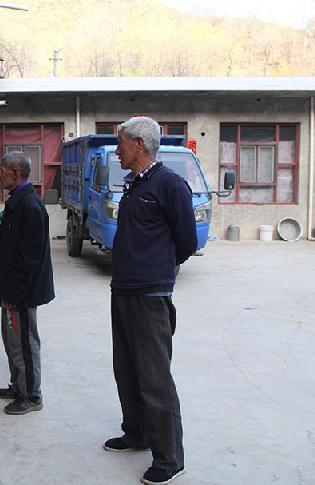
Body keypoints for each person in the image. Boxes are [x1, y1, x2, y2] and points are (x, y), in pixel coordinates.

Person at [103, 117, 197, 485]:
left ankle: (170, 458)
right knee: (126, 369)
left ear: (139, 144)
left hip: (150, 295)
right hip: (123, 290)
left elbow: (186, 241)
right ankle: (136, 433)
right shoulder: (134, 185)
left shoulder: (170, 185)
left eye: (121, 143)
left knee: (154, 377)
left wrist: (156, 268)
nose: (117, 150)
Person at [0, 151, 54, 415]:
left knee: (24, 342)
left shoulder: (30, 206)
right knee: (11, 340)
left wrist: (13, 293)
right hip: (12, 289)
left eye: (3, 171)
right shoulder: (18, 202)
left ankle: (31, 395)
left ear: (15, 173)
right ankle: (18, 386)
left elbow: (29, 258)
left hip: (22, 293)